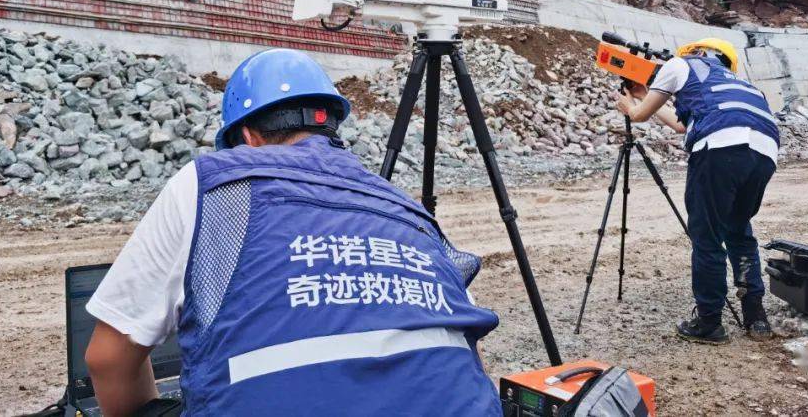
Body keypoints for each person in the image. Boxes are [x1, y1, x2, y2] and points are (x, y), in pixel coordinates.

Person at [84, 48, 502, 416]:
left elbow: (108, 358)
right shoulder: (406, 207)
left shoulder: (209, 184)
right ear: (331, 127)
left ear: (246, 138)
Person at [616, 37, 778, 345]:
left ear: (693, 52)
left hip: (719, 148)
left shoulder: (679, 65)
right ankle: (756, 317)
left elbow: (639, 116)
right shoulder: (740, 85)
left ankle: (708, 322)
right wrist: (645, 95)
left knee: (707, 236)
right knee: (738, 230)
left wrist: (630, 105)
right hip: (765, 150)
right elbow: (681, 126)